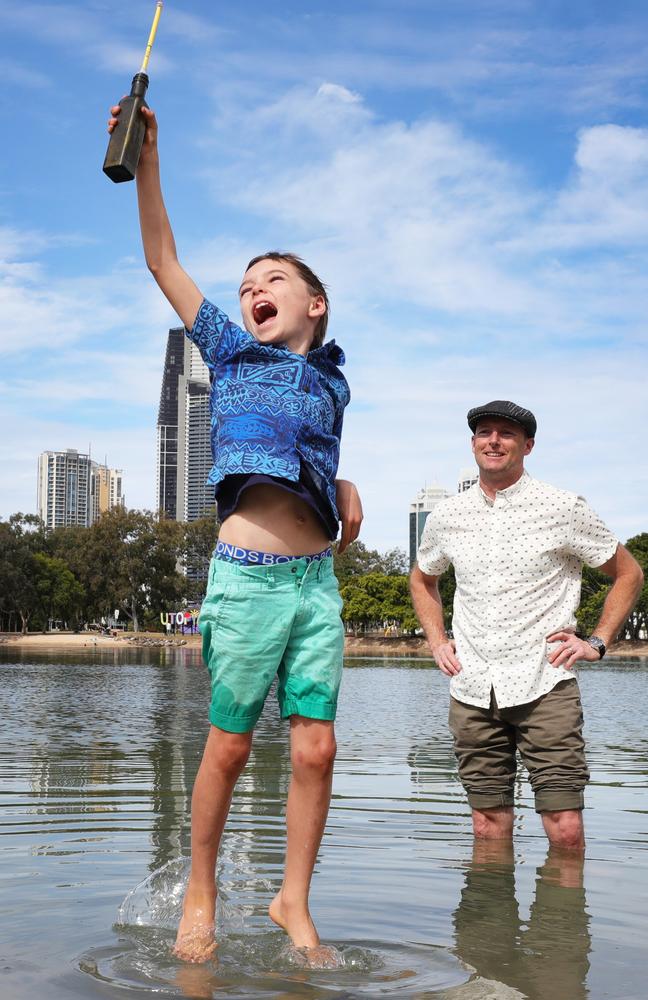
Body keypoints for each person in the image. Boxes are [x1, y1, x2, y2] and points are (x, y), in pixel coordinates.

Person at [107, 102, 363, 963]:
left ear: (315, 305)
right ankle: (203, 889)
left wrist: (346, 489)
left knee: (318, 748)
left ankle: (293, 899)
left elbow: (317, 464)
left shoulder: (333, 383)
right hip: (249, 577)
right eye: (248, 281)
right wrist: (149, 155)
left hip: (315, 587)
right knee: (229, 743)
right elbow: (162, 258)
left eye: (273, 280)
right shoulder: (231, 351)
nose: (254, 289)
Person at [410, 400, 643, 851]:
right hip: (472, 686)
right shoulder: (448, 516)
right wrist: (437, 641)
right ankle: (491, 924)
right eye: (484, 432)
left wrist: (596, 641)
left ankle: (559, 925)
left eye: (506, 434)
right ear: (473, 443)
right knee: (486, 827)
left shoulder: (563, 507)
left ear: (527, 445)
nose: (493, 441)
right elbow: (423, 579)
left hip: (545, 683)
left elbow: (629, 573)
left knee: (565, 826)